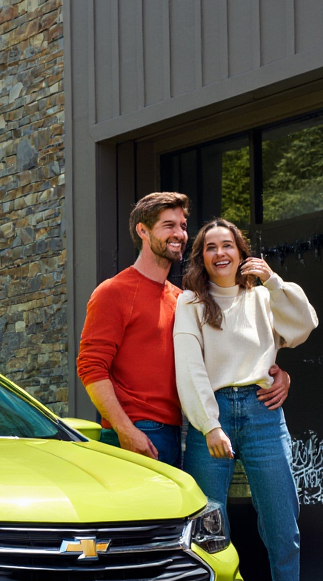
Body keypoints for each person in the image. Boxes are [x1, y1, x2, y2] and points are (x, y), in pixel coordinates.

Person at [174, 219, 318, 581]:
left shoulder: (261, 296)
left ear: (241, 252)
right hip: (212, 419)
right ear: (201, 256)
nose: (220, 254)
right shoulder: (190, 302)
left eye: (228, 246)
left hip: (263, 413)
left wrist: (273, 280)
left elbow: (304, 325)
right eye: (211, 247)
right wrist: (209, 424)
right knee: (210, 531)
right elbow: (190, 368)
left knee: (281, 522)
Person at [78, 192, 289, 467]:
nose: (179, 234)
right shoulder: (113, 292)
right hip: (136, 433)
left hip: (176, 430)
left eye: (183, 226)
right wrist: (126, 430)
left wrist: (278, 375)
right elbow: (91, 368)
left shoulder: (182, 299)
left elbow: (219, 357)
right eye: (169, 225)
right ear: (143, 230)